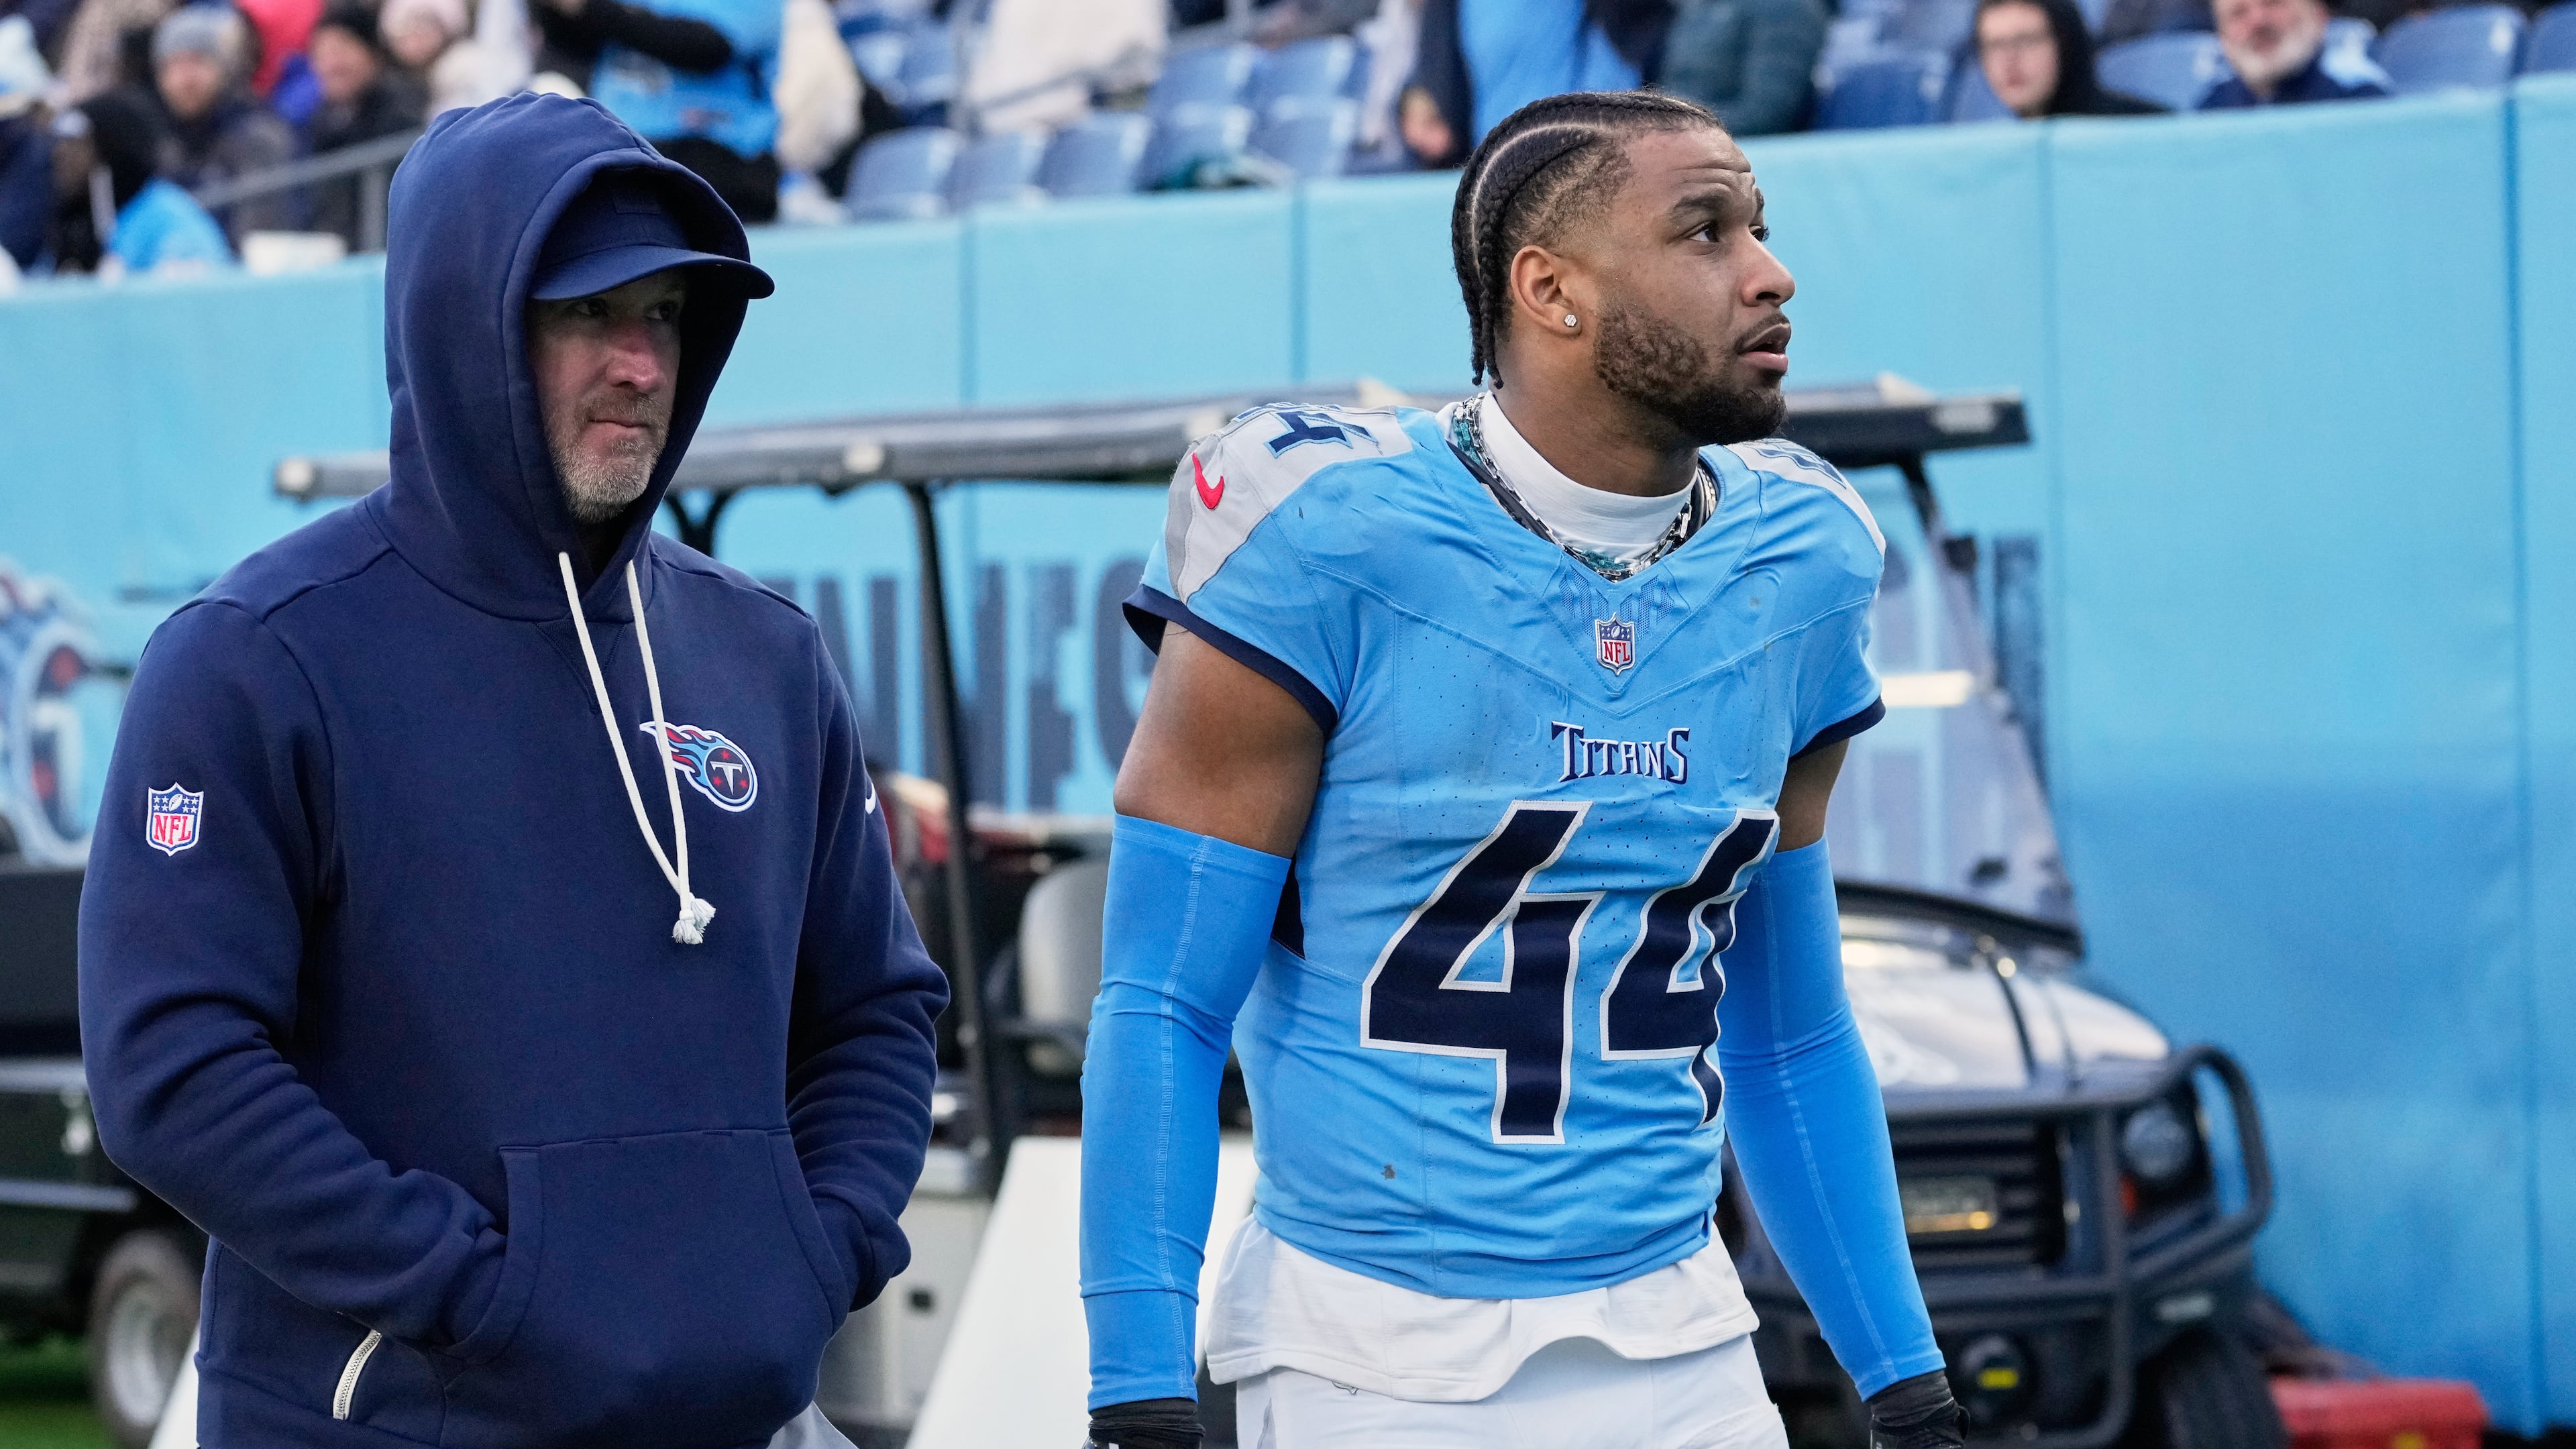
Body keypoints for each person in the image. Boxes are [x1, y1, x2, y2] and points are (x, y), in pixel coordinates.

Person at [1078, 89, 1964, 1449]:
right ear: (1548, 289)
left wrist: (1905, 1381)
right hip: (1367, 1344)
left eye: (1762, 228)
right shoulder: (1326, 526)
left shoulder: (1801, 552)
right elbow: (1163, 1006)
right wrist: (1137, 1387)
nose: (1771, 271)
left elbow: (1786, 1027)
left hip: (1682, 1331)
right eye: (1706, 230)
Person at [78, 92, 947, 1448]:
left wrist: (815, 1255)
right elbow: (173, 1070)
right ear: (462, 328)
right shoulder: (257, 658)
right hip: (393, 1419)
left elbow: (875, 1013)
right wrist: (477, 1294)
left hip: (740, 1420)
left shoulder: (762, 658)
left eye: (665, 317)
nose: (641, 364)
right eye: (587, 315)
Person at [535, 0, 782, 221]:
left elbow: (706, 47)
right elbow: (570, 44)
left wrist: (588, 7)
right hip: (621, 152)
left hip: (723, 156)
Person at [1401, 0, 1672, 166]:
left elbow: (1642, 30)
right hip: (1497, 159)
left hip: (1590, 150)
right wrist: (1424, 95)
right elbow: (1441, 59)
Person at [148, 3, 298, 239]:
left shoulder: (257, 135)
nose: (185, 79)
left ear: (225, 67)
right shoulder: (165, 143)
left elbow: (259, 230)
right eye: (172, 66)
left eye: (196, 61)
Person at [50, 88, 231, 274]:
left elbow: (194, 294)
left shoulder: (166, 220)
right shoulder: (73, 225)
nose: (61, 155)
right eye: (60, 143)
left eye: (76, 144)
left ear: (110, 150)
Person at [303, 4, 425, 245]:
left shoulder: (403, 116)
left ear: (373, 53)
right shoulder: (317, 124)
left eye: (342, 49)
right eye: (322, 52)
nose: (332, 64)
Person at [1659, 0, 1827, 136]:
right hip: (1678, 135)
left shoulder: (1786, 8)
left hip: (1738, 151)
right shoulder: (1699, 8)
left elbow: (1764, 113)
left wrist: (1675, 131)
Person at [1975, 0, 2163, 116]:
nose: (2009, 60)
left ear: (2066, 43)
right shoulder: (2000, 151)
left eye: (2025, 40)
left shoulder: (2143, 130)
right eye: (1994, 45)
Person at [2200, 0, 2387, 105]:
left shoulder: (2358, 97)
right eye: (2238, 13)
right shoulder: (2214, 107)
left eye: (2272, 3)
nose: (2258, 21)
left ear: (2318, 15)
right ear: (2222, 37)